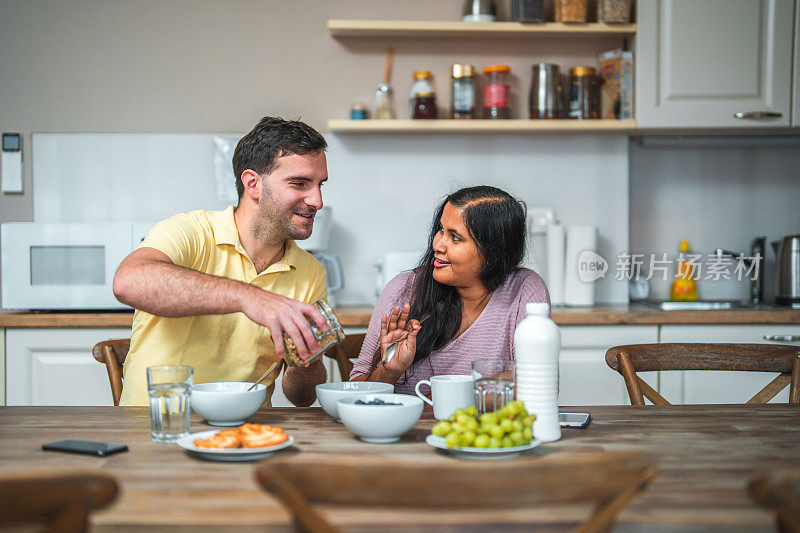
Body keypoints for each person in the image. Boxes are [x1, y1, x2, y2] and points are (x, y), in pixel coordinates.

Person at [114, 116, 330, 406]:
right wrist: (249, 298)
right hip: (159, 429)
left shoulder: (310, 272)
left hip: (249, 436)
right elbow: (128, 282)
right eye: (299, 183)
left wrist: (308, 360)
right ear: (252, 184)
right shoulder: (191, 231)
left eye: (320, 185)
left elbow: (302, 398)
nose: (317, 200)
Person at [350, 185, 550, 394]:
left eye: (455, 237)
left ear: (492, 251)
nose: (438, 244)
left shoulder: (525, 291)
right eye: (440, 230)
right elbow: (356, 391)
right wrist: (390, 369)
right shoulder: (402, 290)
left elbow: (540, 388)